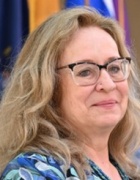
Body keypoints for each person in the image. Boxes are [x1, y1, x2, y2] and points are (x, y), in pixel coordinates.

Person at [0, 6, 140, 180]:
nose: (108, 84)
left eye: (114, 68)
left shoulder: (131, 169)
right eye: (85, 71)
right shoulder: (31, 171)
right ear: (49, 87)